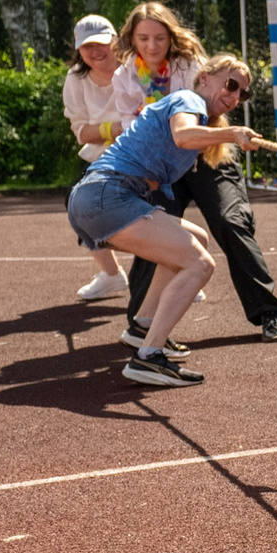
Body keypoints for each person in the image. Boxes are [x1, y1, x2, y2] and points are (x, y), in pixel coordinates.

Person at [65, 54, 262, 388]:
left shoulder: (195, 113)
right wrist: (232, 133)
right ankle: (149, 356)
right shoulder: (188, 100)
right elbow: (183, 136)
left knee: (197, 239)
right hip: (106, 196)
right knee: (200, 264)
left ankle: (142, 326)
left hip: (96, 198)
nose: (234, 96)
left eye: (242, 93)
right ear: (204, 78)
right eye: (231, 85)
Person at [112, 2, 277, 347]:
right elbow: (131, 125)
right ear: (132, 39)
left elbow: (211, 105)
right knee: (153, 230)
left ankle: (269, 310)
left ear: (171, 37)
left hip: (209, 153)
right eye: (144, 38)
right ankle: (140, 324)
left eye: (160, 37)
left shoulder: (189, 63)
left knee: (231, 221)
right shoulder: (124, 76)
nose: (152, 45)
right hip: (165, 166)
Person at [60, 13, 130, 302]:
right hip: (98, 157)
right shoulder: (75, 79)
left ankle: (179, 267)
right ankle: (111, 275)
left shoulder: (134, 69)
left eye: (101, 42)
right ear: (79, 50)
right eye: (87, 46)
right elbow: (81, 132)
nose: (95, 51)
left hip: (139, 154)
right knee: (77, 203)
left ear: (115, 41)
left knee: (160, 206)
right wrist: (112, 129)